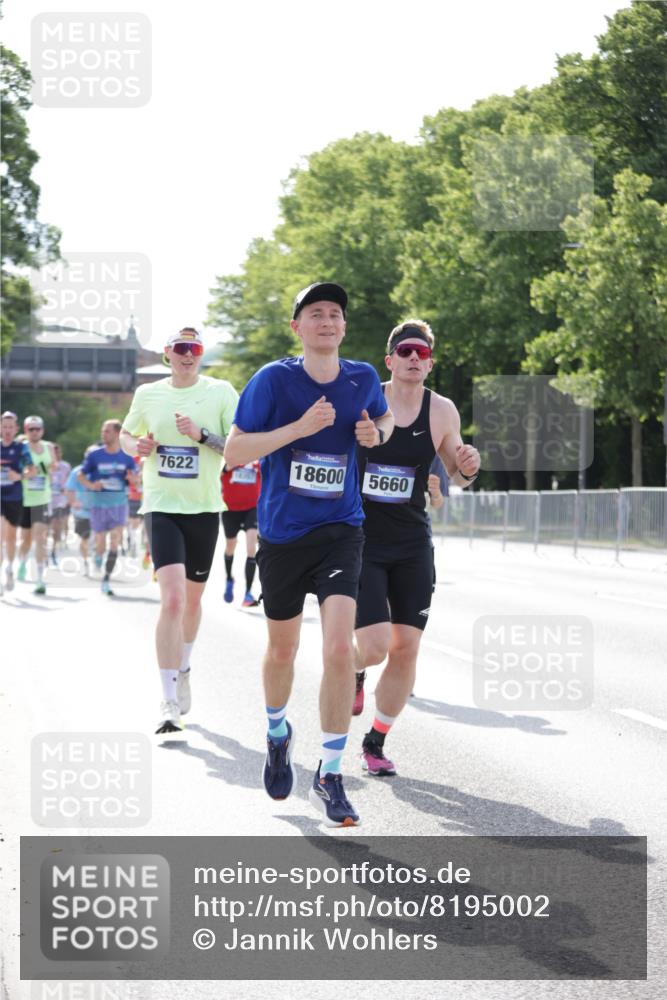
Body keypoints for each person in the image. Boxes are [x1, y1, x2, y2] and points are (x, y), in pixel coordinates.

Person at [224, 282, 394, 827]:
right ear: (297, 327)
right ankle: (277, 733)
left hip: (342, 529)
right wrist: (299, 428)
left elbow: (384, 421)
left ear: (343, 327)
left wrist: (374, 433)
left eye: (335, 314)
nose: (327, 321)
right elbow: (234, 451)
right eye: (315, 313)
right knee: (282, 651)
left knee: (340, 649)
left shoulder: (362, 377)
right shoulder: (274, 380)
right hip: (282, 534)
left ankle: (330, 771)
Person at [353, 320, 480, 776]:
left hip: (411, 542)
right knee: (373, 646)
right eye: (405, 351)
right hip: (361, 538)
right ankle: (354, 672)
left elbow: (459, 474)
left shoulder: (442, 411)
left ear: (429, 363)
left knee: (406, 648)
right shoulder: (365, 398)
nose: (413, 358)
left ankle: (376, 739)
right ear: (390, 360)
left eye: (421, 353)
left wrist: (469, 466)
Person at [120, 327, 239, 736]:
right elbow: (125, 432)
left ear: (201, 354)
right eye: (181, 348)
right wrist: (134, 446)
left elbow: (237, 446)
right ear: (168, 354)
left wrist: (202, 435)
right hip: (160, 506)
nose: (189, 354)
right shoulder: (148, 394)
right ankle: (168, 700)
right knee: (170, 600)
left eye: (196, 348)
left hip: (205, 508)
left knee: (191, 602)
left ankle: (184, 665)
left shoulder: (221, 391)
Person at [78, 420, 137, 596]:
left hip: (119, 504)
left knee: (114, 543)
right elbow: (81, 475)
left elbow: (135, 479)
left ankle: (106, 579)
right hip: (98, 504)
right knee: (100, 543)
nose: (103, 434)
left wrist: (133, 479)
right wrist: (91, 485)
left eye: (107, 431)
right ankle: (97, 555)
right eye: (103, 431)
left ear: (117, 434)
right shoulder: (95, 455)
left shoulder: (127, 457)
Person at [17, 416, 56, 595]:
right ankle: (22, 562)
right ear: (26, 430)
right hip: (24, 499)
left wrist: (47, 469)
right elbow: (15, 472)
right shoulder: (20, 447)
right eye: (31, 429)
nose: (34, 432)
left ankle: (40, 578)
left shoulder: (49, 447)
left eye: (37, 429)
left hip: (42, 498)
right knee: (26, 540)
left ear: (42, 430)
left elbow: (53, 468)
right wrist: (26, 474)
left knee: (40, 539)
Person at [221, 459, 261, 606]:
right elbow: (223, 470)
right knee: (230, 547)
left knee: (251, 549)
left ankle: (248, 594)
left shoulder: (258, 463)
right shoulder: (231, 460)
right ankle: (229, 579)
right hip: (230, 511)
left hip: (252, 510)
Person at [1, 411, 34, 592]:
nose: (7, 430)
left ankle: (9, 568)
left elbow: (33, 471)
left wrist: (19, 475)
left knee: (11, 538)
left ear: (16, 429)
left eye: (10, 427)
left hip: (14, 496)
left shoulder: (21, 448)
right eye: (4, 426)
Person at [66, 448, 95, 574]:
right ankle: (86, 561)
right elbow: (69, 489)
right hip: (82, 511)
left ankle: (96, 557)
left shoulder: (103, 470)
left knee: (99, 538)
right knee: (85, 538)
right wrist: (73, 502)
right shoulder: (77, 471)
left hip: (100, 510)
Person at [49, 444, 72, 564]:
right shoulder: (45, 465)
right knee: (45, 528)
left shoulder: (66, 466)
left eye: (57, 453)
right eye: (53, 453)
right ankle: (45, 550)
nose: (55, 455)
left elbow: (70, 481)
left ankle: (53, 550)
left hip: (60, 501)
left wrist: (68, 494)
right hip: (46, 501)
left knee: (56, 527)